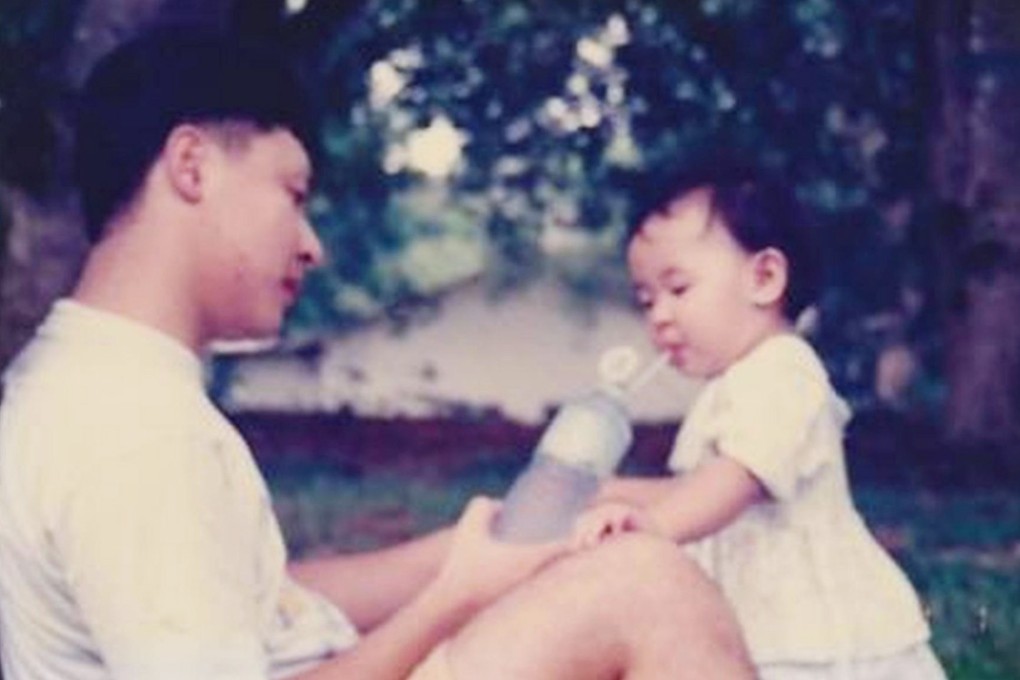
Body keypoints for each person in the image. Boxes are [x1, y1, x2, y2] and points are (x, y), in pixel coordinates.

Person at [0, 26, 755, 680]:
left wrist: (470, 554)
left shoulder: (84, 378)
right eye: (294, 194)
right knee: (644, 586)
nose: (313, 246)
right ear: (191, 167)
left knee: (601, 575)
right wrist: (452, 598)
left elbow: (252, 600)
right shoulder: (134, 431)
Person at [570, 168, 947, 679]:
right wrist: (611, 492)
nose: (659, 315)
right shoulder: (733, 385)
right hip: (759, 623)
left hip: (808, 633)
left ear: (765, 278)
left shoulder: (784, 371)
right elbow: (699, 487)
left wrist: (653, 528)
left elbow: (737, 480)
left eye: (678, 288)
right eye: (646, 299)